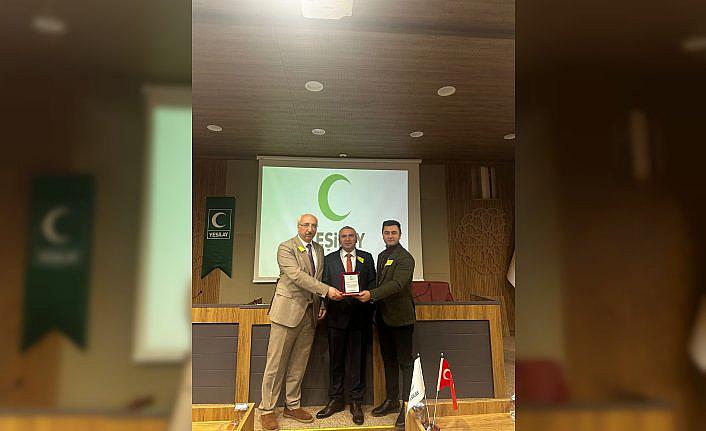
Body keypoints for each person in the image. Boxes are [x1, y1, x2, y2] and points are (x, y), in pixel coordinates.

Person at [259, 214, 344, 431]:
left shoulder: (319, 249)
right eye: (306, 225)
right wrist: (327, 291)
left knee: (299, 363)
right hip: (287, 312)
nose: (310, 229)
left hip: (310, 313)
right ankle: (267, 409)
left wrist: (321, 303)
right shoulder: (286, 247)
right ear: (298, 226)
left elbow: (318, 277)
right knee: (276, 364)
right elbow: (297, 276)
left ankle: (292, 405)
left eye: (314, 225)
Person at [357, 220, 415, 430]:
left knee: (405, 363)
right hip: (382, 318)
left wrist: (371, 294)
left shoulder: (405, 258)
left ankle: (407, 407)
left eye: (394, 233)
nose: (390, 236)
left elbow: (397, 285)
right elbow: (379, 282)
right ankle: (392, 400)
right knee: (389, 361)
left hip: (401, 319)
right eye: (387, 233)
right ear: (382, 235)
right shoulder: (382, 256)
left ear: (400, 234)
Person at [317, 226, 376, 425]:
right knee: (336, 361)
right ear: (339, 239)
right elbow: (324, 283)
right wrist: (327, 298)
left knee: (358, 362)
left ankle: (356, 402)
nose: (348, 239)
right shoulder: (329, 259)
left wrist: (368, 294)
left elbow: (373, 282)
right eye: (344, 236)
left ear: (356, 238)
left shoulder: (366, 257)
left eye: (351, 236)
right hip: (336, 317)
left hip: (360, 317)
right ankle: (336, 399)